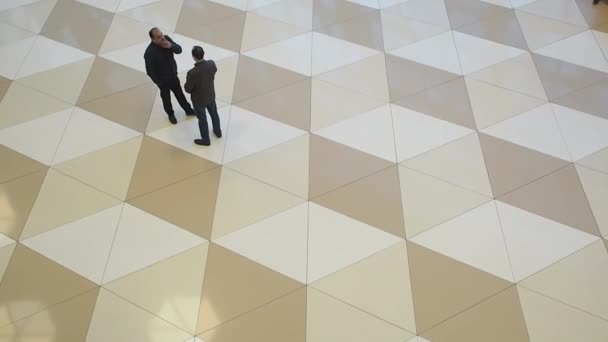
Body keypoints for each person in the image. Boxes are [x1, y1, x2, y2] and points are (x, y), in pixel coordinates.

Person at [144, 27, 195, 124]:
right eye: (159, 37)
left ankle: (188, 110)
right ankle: (170, 114)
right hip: (163, 81)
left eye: (162, 34)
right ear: (153, 39)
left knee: (180, 95)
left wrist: (170, 45)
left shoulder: (166, 39)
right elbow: (150, 72)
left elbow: (179, 50)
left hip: (173, 76)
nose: (162, 38)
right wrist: (160, 83)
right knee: (166, 99)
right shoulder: (149, 53)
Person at [184, 46, 222, 146]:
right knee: (214, 113)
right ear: (203, 53)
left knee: (202, 119)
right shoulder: (211, 63)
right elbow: (214, 70)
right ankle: (218, 132)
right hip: (210, 95)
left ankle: (206, 140)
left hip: (198, 100)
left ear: (193, 57)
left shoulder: (192, 73)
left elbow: (188, 89)